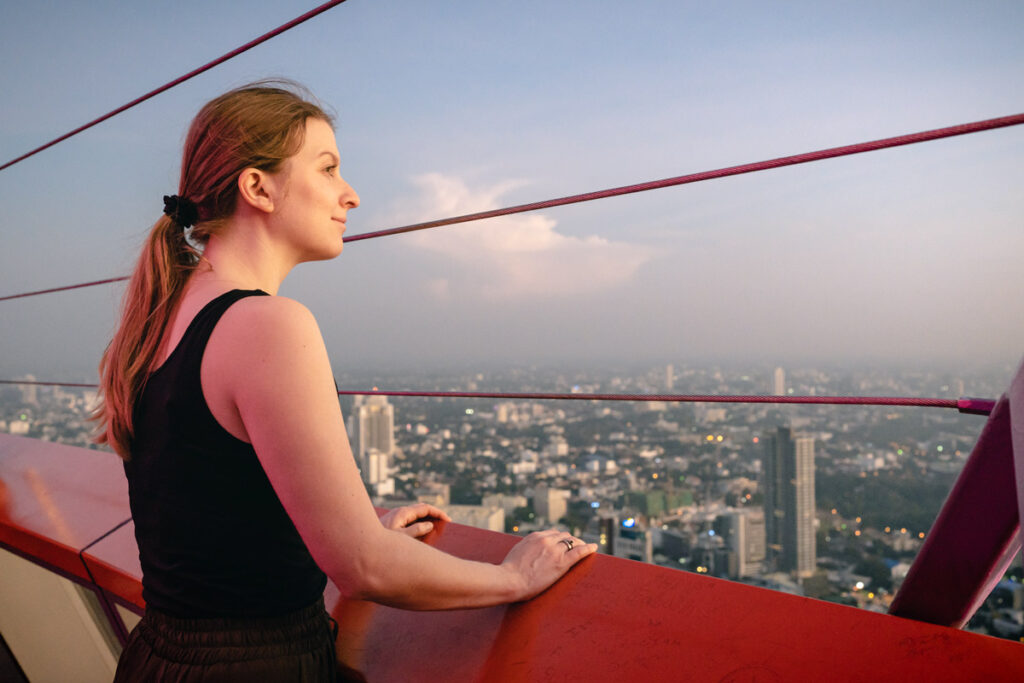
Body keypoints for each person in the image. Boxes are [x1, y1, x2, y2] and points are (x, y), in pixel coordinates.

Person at [93, 81, 596, 682]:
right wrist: (513, 578)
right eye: (327, 168)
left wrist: (333, 524)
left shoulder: (160, 321)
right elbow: (364, 569)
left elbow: (207, 509)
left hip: (156, 659)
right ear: (258, 188)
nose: (350, 194)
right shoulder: (265, 325)